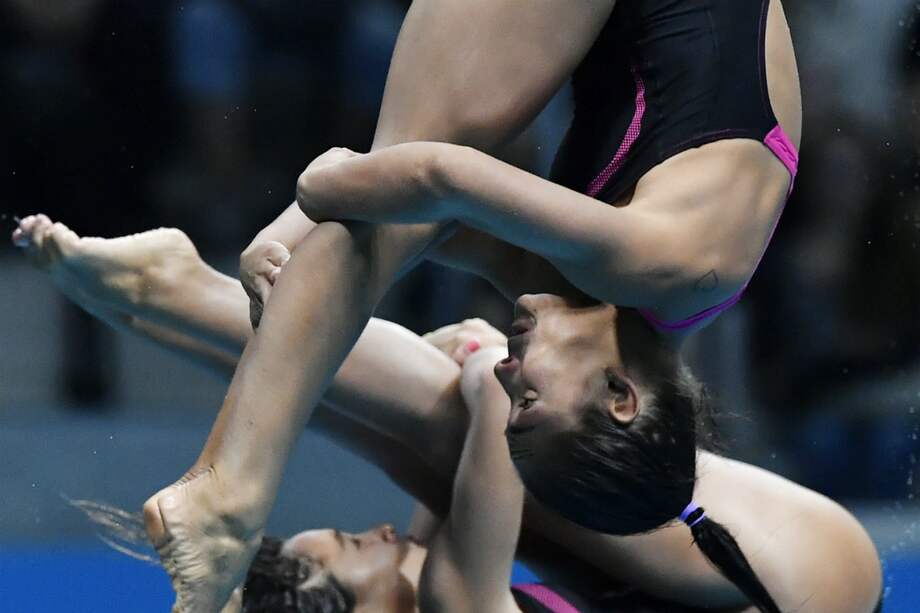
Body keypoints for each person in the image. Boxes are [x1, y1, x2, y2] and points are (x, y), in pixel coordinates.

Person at [138, 0, 806, 608]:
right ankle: (234, 483)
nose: (506, 373)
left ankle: (231, 482)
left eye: (508, 404)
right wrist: (315, 191)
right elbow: (436, 175)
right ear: (619, 396)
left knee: (399, 177)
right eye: (529, 400)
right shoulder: (672, 267)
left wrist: (281, 241)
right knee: (416, 145)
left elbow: (420, 216)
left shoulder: (597, 295)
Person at [13, 216, 881, 612]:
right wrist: (486, 359)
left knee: (426, 451)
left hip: (742, 579)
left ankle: (158, 309)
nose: (381, 532)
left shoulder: (443, 577)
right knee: (451, 428)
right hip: (808, 580)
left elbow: (426, 451)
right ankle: (179, 297)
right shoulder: (454, 600)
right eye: (356, 548)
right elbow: (489, 401)